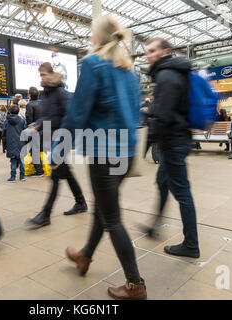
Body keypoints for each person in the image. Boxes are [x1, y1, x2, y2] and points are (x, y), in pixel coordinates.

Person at [57, 15, 146, 300]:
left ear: (97, 37)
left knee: (112, 218)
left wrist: (60, 148)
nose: (89, 38)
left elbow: (78, 112)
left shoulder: (93, 64)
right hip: (127, 153)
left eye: (91, 33)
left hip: (103, 152)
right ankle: (85, 256)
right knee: (104, 208)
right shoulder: (129, 71)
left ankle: (135, 285)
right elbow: (136, 115)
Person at [145, 37, 200, 258]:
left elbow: (163, 116)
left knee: (182, 192)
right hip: (177, 140)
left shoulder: (167, 75)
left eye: (151, 50)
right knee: (162, 181)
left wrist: (144, 145)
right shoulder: (174, 73)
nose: (147, 54)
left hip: (173, 142)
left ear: (165, 52)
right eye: (146, 51)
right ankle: (155, 225)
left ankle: (191, 245)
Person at [25, 62, 87, 229]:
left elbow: (69, 117)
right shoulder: (46, 94)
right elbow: (49, 116)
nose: (41, 78)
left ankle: (45, 214)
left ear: (51, 75)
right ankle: (81, 202)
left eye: (44, 74)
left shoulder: (60, 93)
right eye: (40, 75)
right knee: (65, 172)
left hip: (60, 138)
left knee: (55, 176)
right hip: (51, 138)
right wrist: (38, 123)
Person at [2, 104, 26, 182]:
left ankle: (13, 177)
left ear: (9, 111)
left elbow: (4, 135)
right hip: (21, 143)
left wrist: (4, 146)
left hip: (11, 143)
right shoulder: (22, 121)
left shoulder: (7, 122)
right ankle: (22, 176)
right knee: (21, 160)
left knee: (13, 160)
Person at [25, 86, 44, 176]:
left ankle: (39, 171)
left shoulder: (29, 105)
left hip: (35, 130)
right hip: (43, 129)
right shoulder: (42, 104)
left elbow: (29, 119)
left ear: (29, 95)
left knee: (34, 151)